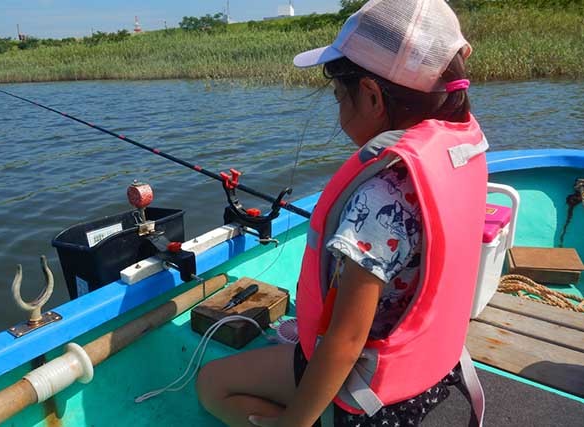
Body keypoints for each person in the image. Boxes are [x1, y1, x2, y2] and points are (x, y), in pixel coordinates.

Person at [196, 1, 488, 426]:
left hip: (372, 391)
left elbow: (347, 340)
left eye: (338, 95)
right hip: (433, 370)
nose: (337, 107)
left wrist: (293, 420)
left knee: (211, 384)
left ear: (370, 95)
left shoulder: (380, 197)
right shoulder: (458, 152)